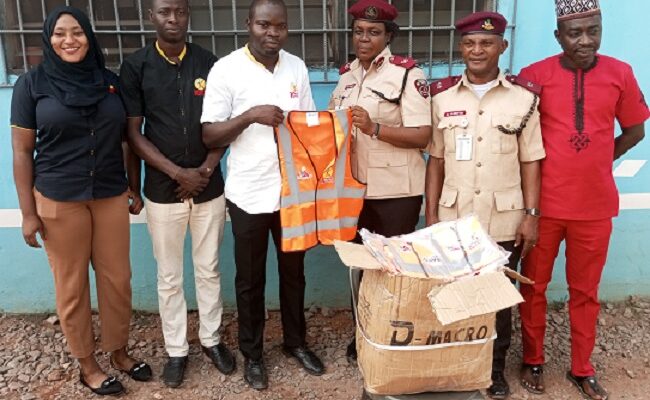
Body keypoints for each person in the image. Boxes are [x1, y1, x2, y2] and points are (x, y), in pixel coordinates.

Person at [10, 6, 151, 396]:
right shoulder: (31, 84)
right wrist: (28, 213)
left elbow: (126, 140)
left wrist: (132, 186)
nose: (69, 40)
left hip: (108, 193)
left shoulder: (108, 82)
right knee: (72, 286)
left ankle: (118, 350)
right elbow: (22, 152)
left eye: (77, 32)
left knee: (117, 279)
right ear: (48, 40)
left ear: (89, 36)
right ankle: (87, 363)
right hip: (58, 198)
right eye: (59, 34)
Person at [517, 1, 648, 399]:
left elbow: (635, 131)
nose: (586, 40)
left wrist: (597, 158)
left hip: (594, 209)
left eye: (594, 30)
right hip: (543, 208)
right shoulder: (534, 75)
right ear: (559, 36)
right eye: (575, 33)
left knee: (585, 291)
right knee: (533, 287)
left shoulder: (620, 73)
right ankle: (533, 359)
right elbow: (519, 139)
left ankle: (581, 368)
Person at [200, 0, 324, 390]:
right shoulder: (226, 69)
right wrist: (250, 115)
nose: (272, 33)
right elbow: (210, 134)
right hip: (249, 193)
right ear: (248, 24)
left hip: (291, 193)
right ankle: (253, 353)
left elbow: (307, 127)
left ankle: (295, 342)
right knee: (250, 279)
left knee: (294, 274)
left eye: (280, 26)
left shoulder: (296, 67)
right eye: (264, 25)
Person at [425, 11, 545, 400]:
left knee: (498, 299)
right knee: (454, 294)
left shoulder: (524, 98)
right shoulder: (441, 97)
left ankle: (494, 370)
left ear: (502, 47)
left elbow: (531, 160)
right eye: (470, 43)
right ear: (461, 47)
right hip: (453, 216)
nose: (477, 50)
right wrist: (430, 218)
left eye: (487, 43)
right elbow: (437, 161)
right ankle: (456, 366)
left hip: (503, 219)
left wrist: (531, 215)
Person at [119, 0, 234, 388]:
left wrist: (202, 171)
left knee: (209, 268)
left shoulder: (210, 63)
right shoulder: (136, 66)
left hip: (208, 185)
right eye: (165, 12)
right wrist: (175, 173)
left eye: (180, 12)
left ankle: (212, 340)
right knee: (169, 276)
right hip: (163, 190)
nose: (173, 19)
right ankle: (176, 350)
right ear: (151, 17)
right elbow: (133, 133)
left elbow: (224, 126)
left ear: (188, 16)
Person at [328, 0, 432, 363]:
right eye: (359, 32)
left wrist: (374, 127)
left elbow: (423, 135)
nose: (364, 38)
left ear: (388, 36)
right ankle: (364, 332)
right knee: (359, 265)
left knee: (393, 269)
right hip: (354, 190)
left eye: (373, 33)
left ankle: (392, 338)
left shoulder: (407, 75)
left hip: (395, 192)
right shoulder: (346, 78)